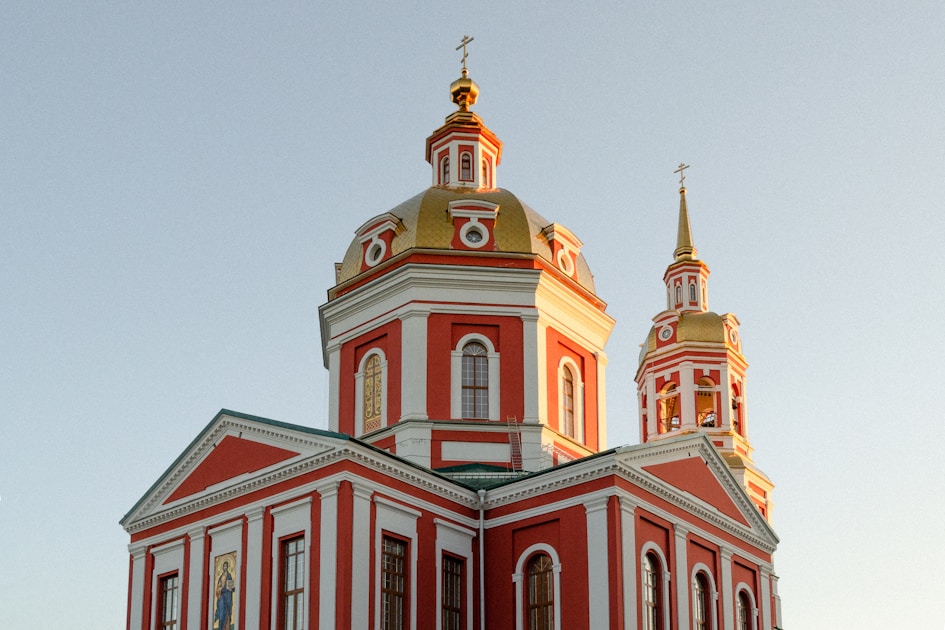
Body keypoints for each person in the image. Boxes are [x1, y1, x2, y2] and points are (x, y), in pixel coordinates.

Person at [214, 560, 235, 630]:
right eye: (224, 566)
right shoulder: (220, 577)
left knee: (226, 614)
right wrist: (219, 590)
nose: (225, 567)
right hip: (221, 598)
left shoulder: (229, 576)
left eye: (226, 566)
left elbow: (231, 588)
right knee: (221, 614)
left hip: (227, 598)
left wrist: (230, 588)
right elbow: (218, 587)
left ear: (227, 567)